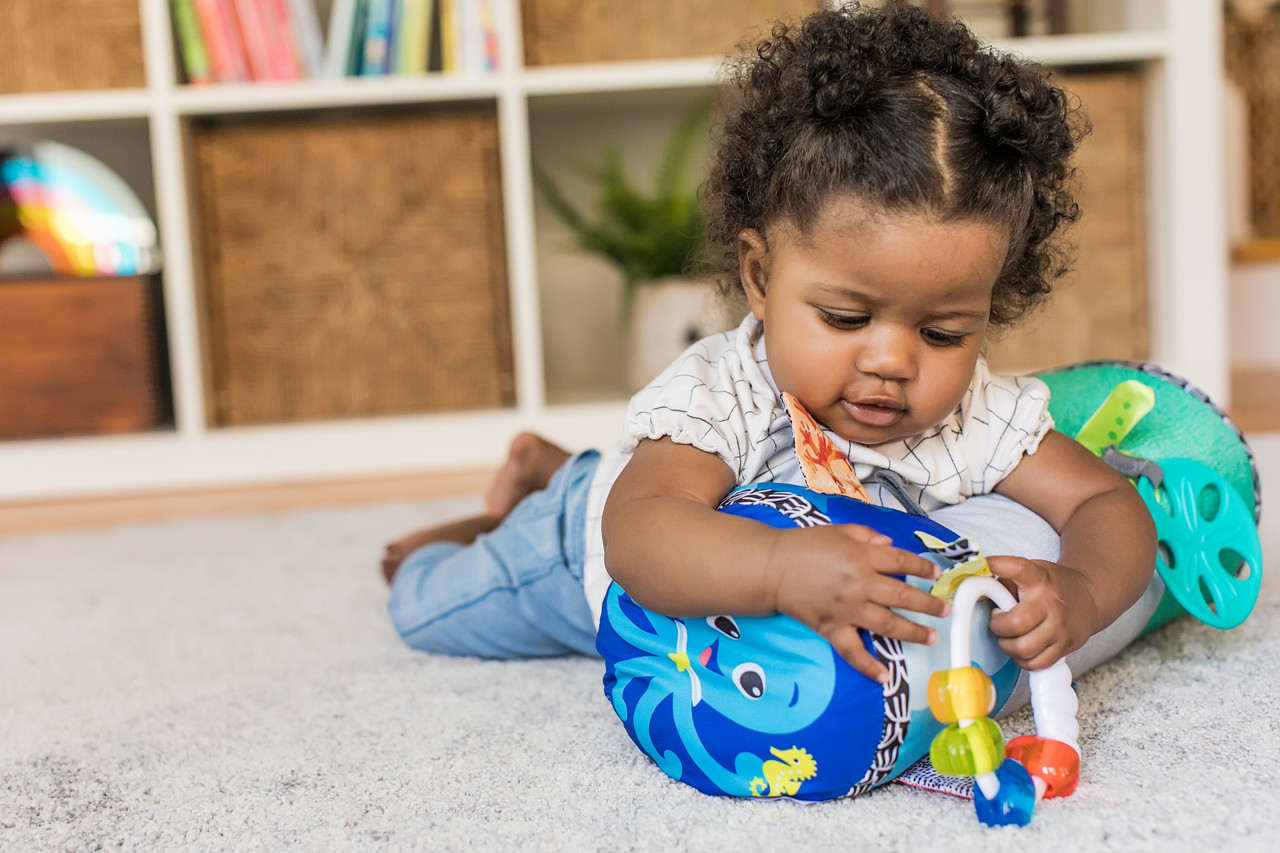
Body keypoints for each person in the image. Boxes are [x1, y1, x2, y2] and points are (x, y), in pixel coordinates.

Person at [382, 1, 1157, 684]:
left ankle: (558, 462)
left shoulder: (973, 414)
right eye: (846, 319)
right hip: (577, 550)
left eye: (943, 331)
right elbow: (639, 532)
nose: (891, 361)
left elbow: (1102, 498)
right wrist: (783, 570)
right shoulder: (726, 394)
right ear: (759, 275)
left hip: (668, 501)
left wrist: (1082, 588)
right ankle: (498, 516)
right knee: (424, 610)